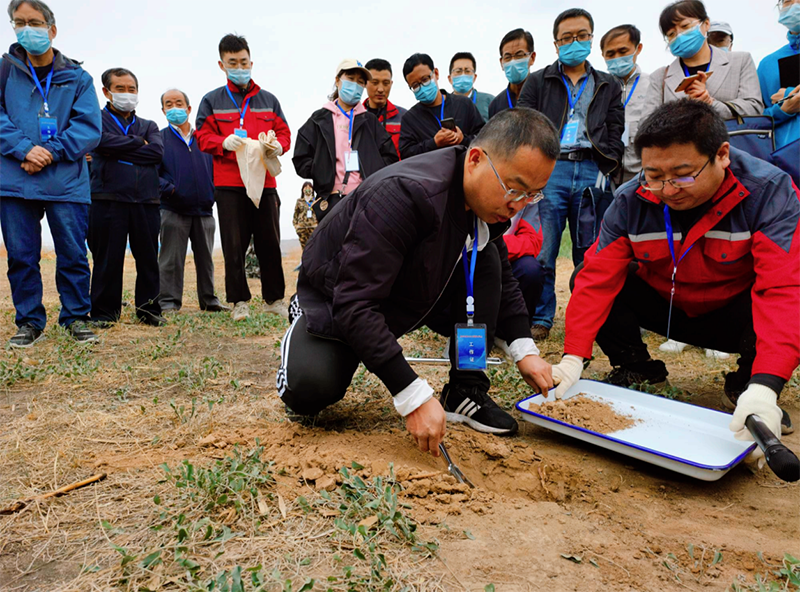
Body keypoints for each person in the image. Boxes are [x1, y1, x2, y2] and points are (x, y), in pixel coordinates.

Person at [277, 108, 559, 451]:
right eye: (515, 189)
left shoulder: (487, 206)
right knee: (310, 388)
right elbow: (353, 302)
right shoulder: (403, 195)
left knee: (485, 262)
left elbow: (502, 281)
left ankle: (465, 388)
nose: (519, 205)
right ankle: (303, 318)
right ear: (474, 160)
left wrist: (524, 349)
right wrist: (411, 395)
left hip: (411, 293)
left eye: (533, 195)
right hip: (338, 299)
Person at [550, 100, 797, 468]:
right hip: (667, 307)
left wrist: (767, 385)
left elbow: (782, 290)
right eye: (653, 175)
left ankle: (750, 386)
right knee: (585, 271)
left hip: (736, 317)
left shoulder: (769, 193)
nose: (667, 189)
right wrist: (572, 358)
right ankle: (637, 366)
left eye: (682, 174)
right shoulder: (631, 199)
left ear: (722, 155)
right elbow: (598, 278)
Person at [517, 8, 624, 341]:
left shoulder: (607, 83)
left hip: (592, 168)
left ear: (591, 37)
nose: (574, 42)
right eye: (567, 38)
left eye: (581, 35)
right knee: (545, 249)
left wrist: (610, 165)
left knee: (588, 250)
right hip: (552, 169)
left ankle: (585, 318)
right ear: (556, 43)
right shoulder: (539, 81)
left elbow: (617, 128)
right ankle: (541, 318)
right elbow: (524, 122)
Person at [0, 0, 101, 347]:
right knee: (21, 256)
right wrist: (24, 149)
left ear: (52, 29)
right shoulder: (4, 70)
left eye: (35, 21)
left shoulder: (78, 77)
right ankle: (29, 321)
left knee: (73, 253)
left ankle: (75, 317)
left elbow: (89, 127)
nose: (28, 28)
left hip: (66, 183)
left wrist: (49, 152)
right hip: (15, 180)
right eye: (20, 22)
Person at [195, 34, 291, 322]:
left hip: (265, 183)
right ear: (222, 64)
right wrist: (221, 143)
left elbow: (284, 133)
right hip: (228, 184)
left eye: (244, 62)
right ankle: (239, 301)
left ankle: (274, 299)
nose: (239, 66)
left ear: (252, 62)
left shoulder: (269, 100)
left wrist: (278, 146)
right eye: (232, 62)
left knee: (269, 242)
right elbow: (201, 136)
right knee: (233, 244)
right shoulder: (211, 100)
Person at [89, 68, 164, 327]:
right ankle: (104, 313)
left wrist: (118, 148)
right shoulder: (95, 120)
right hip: (107, 198)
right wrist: (136, 143)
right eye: (120, 89)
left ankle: (149, 310)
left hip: (146, 200)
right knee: (108, 259)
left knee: (148, 259)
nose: (127, 94)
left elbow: (155, 153)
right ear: (106, 91)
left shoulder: (149, 125)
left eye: (131, 89)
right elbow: (99, 142)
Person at [292, 59, 398, 220]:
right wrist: (322, 174)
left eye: (360, 82)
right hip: (332, 200)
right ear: (337, 80)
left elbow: (390, 156)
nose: (355, 85)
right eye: (350, 78)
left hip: (367, 199)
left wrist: (374, 178)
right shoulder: (319, 119)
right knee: (335, 245)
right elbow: (300, 156)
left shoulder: (369, 121)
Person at [157, 89, 227, 315]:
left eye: (179, 103)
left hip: (204, 209)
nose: (174, 107)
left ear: (188, 108)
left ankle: (209, 300)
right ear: (163, 111)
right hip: (172, 208)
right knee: (171, 260)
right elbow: (152, 173)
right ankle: (168, 302)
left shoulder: (204, 139)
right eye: (169, 104)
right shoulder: (159, 139)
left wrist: (213, 192)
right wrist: (170, 190)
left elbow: (219, 168)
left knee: (206, 259)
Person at [641, 1, 763, 121]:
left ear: (706, 23)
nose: (679, 36)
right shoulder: (660, 77)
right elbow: (647, 124)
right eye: (671, 34)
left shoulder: (740, 61)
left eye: (685, 26)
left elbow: (755, 107)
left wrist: (710, 103)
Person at [398, 53, 484, 159]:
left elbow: (485, 139)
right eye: (415, 85)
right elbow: (406, 154)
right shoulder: (410, 119)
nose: (422, 88)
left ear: (436, 73)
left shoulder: (464, 104)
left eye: (425, 80)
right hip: (431, 174)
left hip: (466, 171)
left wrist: (463, 140)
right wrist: (434, 143)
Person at [601, 24, 650, 184]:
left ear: (638, 48)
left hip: (644, 176)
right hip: (606, 177)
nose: (617, 57)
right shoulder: (598, 87)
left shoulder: (653, 84)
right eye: (610, 54)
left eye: (623, 52)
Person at [757, 0, 800, 151]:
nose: (795, 4)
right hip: (787, 163)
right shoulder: (768, 64)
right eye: (788, 0)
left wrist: (788, 94)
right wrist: (782, 110)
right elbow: (758, 117)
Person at [503, 203, 545, 323]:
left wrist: (498, 245)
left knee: (531, 270)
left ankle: (513, 331)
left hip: (508, 257)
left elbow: (533, 241)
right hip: (472, 254)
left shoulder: (528, 195)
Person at [488, 28, 536, 119]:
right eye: (508, 57)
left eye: (519, 55)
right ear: (501, 63)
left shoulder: (544, 95)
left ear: (532, 58)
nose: (513, 61)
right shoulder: (495, 105)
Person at [363, 58, 406, 158]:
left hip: (395, 172)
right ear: (364, 83)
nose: (381, 89)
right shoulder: (354, 117)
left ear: (391, 84)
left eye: (386, 83)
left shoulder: (404, 117)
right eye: (375, 82)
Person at [447, 52, 494, 122]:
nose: (463, 75)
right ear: (450, 78)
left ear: (474, 77)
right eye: (458, 71)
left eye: (467, 71)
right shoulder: (444, 105)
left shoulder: (490, 101)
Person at [292, 182, 317, 251]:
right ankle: (305, 261)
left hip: (313, 227)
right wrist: (296, 226)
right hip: (302, 227)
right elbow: (295, 214)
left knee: (313, 246)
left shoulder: (316, 201)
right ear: (302, 190)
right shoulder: (299, 201)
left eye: (309, 187)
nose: (307, 189)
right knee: (304, 248)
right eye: (305, 187)